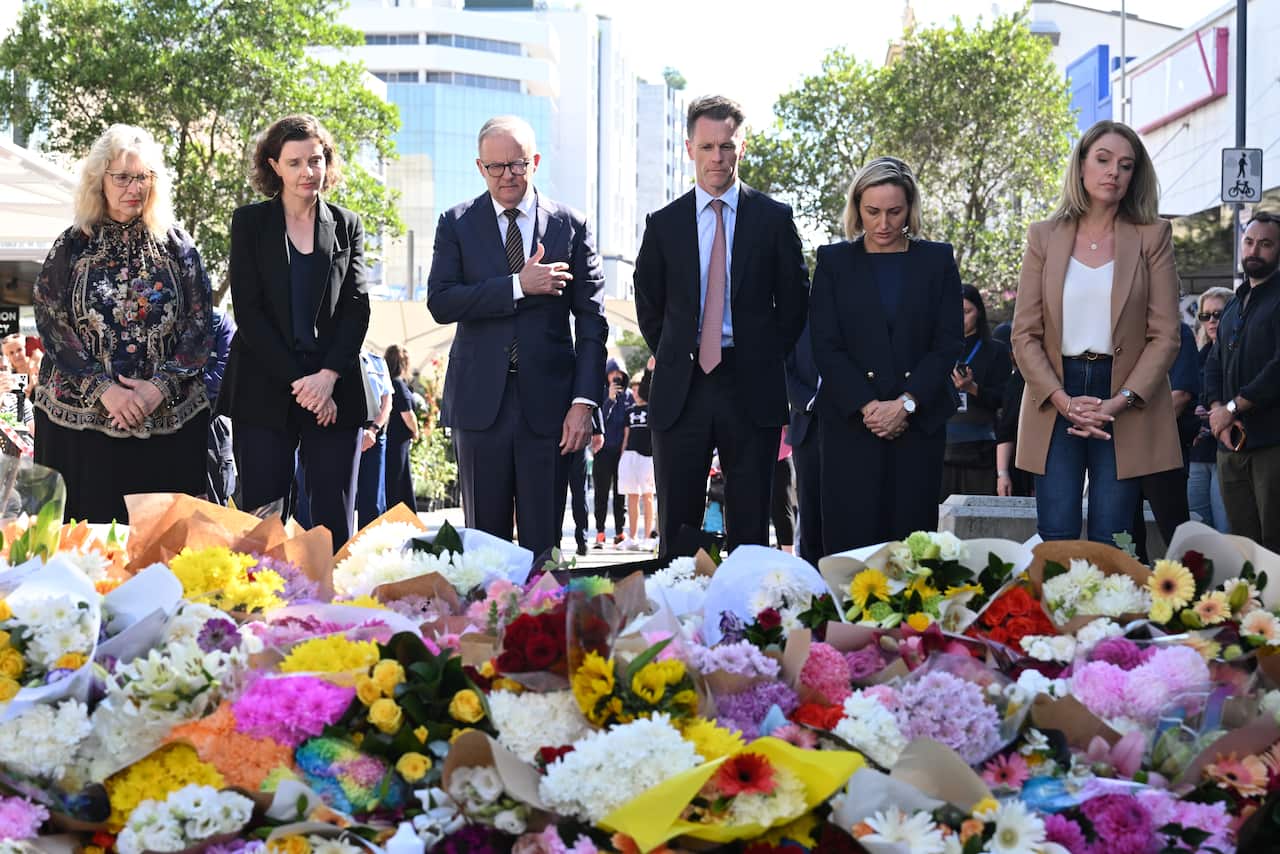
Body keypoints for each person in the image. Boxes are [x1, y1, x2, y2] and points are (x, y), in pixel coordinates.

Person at [634, 95, 808, 559]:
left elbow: (794, 304)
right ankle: (681, 623)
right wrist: (675, 352)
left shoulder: (774, 220)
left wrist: (764, 355)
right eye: (707, 146)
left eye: (726, 146)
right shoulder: (663, 224)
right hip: (681, 386)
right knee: (679, 527)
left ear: (741, 148)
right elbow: (649, 303)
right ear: (689, 148)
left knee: (751, 523)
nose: (717, 157)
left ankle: (751, 624)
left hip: (750, 383)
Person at [427, 115, 607, 560]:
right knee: (482, 552)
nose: (507, 175)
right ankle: (481, 630)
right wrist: (517, 285)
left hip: (549, 411)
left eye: (517, 164)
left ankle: (542, 627)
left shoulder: (571, 226)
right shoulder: (456, 223)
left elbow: (592, 324)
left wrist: (584, 403)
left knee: (542, 552)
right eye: (496, 166)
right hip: (478, 406)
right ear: (479, 167)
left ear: (535, 162)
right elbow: (442, 302)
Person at [1011, 119, 1181, 544]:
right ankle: (1054, 613)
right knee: (1056, 533)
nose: (1114, 173)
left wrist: (1118, 402)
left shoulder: (1152, 236)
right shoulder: (1043, 236)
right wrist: (1061, 398)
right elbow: (1024, 333)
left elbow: (1165, 335)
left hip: (1124, 397)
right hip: (1055, 394)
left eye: (1126, 165)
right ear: (1081, 166)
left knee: (1115, 534)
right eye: (1103, 160)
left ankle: (1108, 615)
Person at [33, 124, 212, 522]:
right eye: (122, 177)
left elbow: (200, 324)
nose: (134, 187)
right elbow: (50, 317)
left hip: (168, 424)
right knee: (85, 551)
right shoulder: (72, 244)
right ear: (100, 181)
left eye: (143, 177)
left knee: (160, 554)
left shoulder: (178, 246)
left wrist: (156, 389)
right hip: (79, 427)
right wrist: (102, 389)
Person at [220, 114, 370, 546]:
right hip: (266, 388)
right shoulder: (249, 224)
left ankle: (331, 612)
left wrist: (326, 379)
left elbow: (356, 307)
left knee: (332, 527)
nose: (308, 172)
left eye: (316, 160)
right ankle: (261, 611)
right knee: (261, 524)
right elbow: (248, 312)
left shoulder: (347, 224)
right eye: (295, 162)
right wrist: (302, 385)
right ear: (273, 166)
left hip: (334, 391)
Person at [809, 157, 963, 553]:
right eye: (872, 211)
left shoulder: (938, 259)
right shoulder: (833, 262)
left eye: (894, 211)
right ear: (856, 208)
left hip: (919, 425)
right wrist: (868, 406)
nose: (883, 223)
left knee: (912, 552)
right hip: (850, 428)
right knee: (850, 551)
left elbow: (947, 343)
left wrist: (907, 404)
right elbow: (826, 345)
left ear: (910, 207)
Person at [1205, 211, 1280, 551]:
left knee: (1273, 543)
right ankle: (1249, 606)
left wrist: (1234, 406)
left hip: (1271, 443)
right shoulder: (1234, 304)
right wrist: (1219, 411)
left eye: (1265, 244)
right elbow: (1213, 363)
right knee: (1241, 544)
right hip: (1230, 443)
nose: (1254, 250)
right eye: (1249, 242)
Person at [1131, 321, 1199, 560]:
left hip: (1161, 452)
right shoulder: (1117, 332)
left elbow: (1180, 396)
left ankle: (1192, 593)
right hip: (1121, 455)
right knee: (1127, 543)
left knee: (1178, 538)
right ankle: (1131, 592)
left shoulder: (1178, 332)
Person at [941, 285, 1011, 499]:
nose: (960, 318)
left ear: (978, 312)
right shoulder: (937, 348)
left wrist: (972, 388)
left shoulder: (996, 350)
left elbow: (1004, 400)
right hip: (942, 448)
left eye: (966, 312)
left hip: (980, 450)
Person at [1187, 286, 1234, 532]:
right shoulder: (1198, 353)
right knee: (1198, 531)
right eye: (1206, 316)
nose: (1212, 321)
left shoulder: (1238, 353)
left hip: (1227, 449)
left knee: (1225, 530)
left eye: (1218, 314)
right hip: (1197, 451)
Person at [785, 324, 823, 564]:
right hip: (807, 425)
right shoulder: (800, 318)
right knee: (810, 511)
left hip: (854, 421)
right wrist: (810, 402)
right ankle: (813, 583)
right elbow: (782, 366)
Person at [593, 359, 630, 547]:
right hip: (602, 452)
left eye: (619, 374)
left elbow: (628, 424)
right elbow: (598, 420)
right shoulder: (600, 394)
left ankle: (620, 532)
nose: (616, 377)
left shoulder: (629, 396)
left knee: (620, 493)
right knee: (601, 493)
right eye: (612, 373)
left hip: (621, 452)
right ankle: (600, 532)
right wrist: (609, 399)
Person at [356, 347, 393, 528]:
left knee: (372, 499)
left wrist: (373, 429)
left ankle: (370, 549)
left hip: (375, 435)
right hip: (345, 432)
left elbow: (387, 402)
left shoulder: (377, 361)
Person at [618, 371, 655, 551]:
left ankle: (648, 537)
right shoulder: (629, 411)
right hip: (630, 455)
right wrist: (622, 455)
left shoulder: (653, 409)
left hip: (648, 456)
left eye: (637, 389)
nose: (634, 393)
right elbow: (626, 435)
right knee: (631, 495)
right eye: (632, 390)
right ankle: (632, 537)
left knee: (648, 496)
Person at [205, 307, 238, 505]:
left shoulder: (221, 322)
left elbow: (227, 370)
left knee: (214, 503)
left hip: (212, 421)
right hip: (167, 423)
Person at [383, 344, 419, 512]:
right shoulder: (398, 384)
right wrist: (416, 431)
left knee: (391, 483)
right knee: (398, 485)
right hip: (398, 442)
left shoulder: (388, 382)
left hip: (390, 439)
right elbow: (407, 414)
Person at [771, 430, 797, 554]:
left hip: (782, 456)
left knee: (782, 507)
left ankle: (788, 555)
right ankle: (781, 550)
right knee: (773, 510)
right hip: (762, 456)